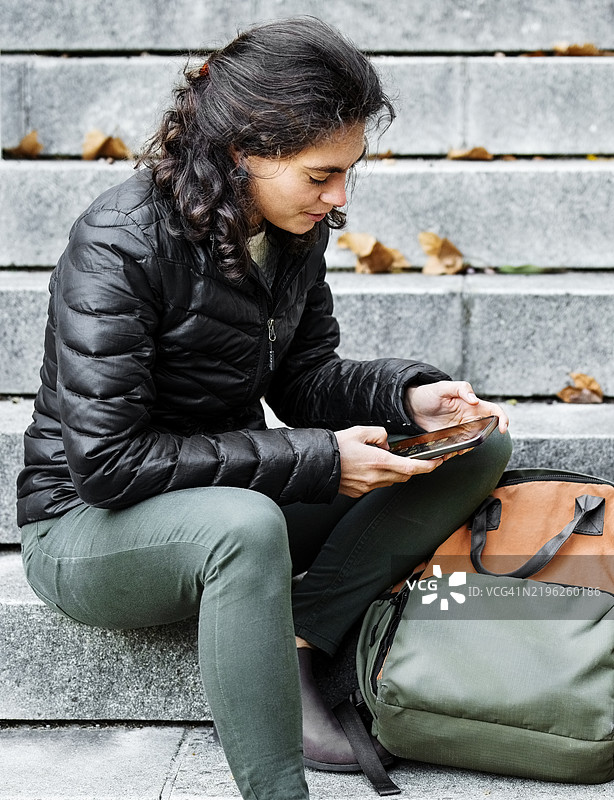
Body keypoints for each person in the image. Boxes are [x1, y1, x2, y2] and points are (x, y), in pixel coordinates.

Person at [17, 16, 511, 800]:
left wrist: (409, 396)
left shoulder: (288, 228)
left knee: (471, 449)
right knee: (243, 530)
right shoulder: (118, 243)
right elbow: (107, 464)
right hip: (85, 524)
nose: (339, 197)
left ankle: (298, 633)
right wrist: (316, 459)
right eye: (321, 175)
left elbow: (304, 378)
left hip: (230, 488)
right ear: (244, 149)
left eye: (347, 171)